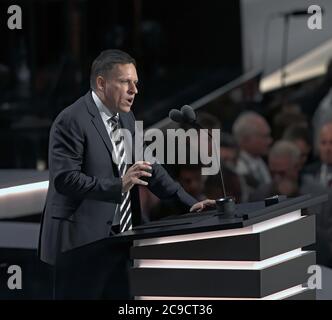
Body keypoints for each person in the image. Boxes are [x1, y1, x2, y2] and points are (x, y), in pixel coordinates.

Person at [38, 49, 214, 299]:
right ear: (101, 83)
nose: (134, 90)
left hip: (120, 241)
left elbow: (150, 167)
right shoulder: (71, 120)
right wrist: (119, 185)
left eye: (136, 83)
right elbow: (66, 180)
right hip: (80, 245)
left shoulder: (126, 117)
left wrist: (189, 203)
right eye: (125, 82)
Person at [232, 111, 272, 200]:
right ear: (246, 139)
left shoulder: (262, 160)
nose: (270, 141)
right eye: (264, 136)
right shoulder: (236, 168)